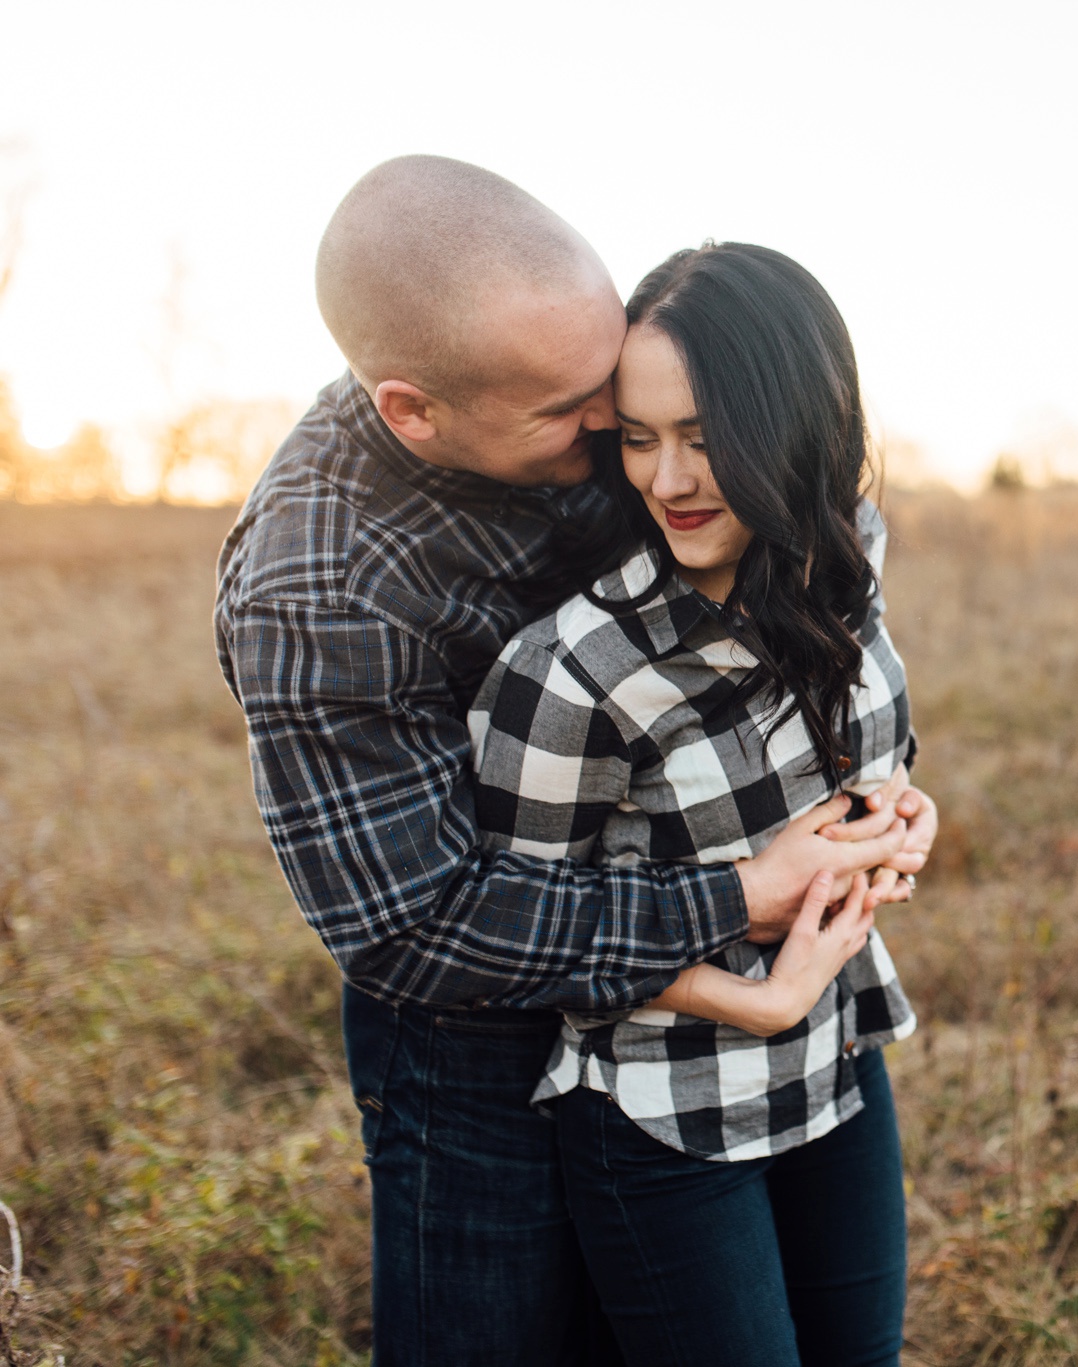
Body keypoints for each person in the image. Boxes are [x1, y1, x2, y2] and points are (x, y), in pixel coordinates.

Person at [212, 157, 938, 1366]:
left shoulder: (588, 384)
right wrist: (742, 902)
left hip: (735, 1019)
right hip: (465, 1032)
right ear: (415, 412)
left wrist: (873, 800)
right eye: (581, 415)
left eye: (620, 387)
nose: (622, 440)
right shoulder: (322, 586)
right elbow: (415, 924)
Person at [467, 242, 918, 1366]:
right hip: (661, 1116)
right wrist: (747, 999)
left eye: (707, 438)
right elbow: (517, 924)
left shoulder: (843, 569)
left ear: (795, 423)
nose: (667, 479)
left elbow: (882, 756)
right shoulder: (574, 669)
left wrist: (908, 815)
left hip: (835, 1061)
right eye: (640, 436)